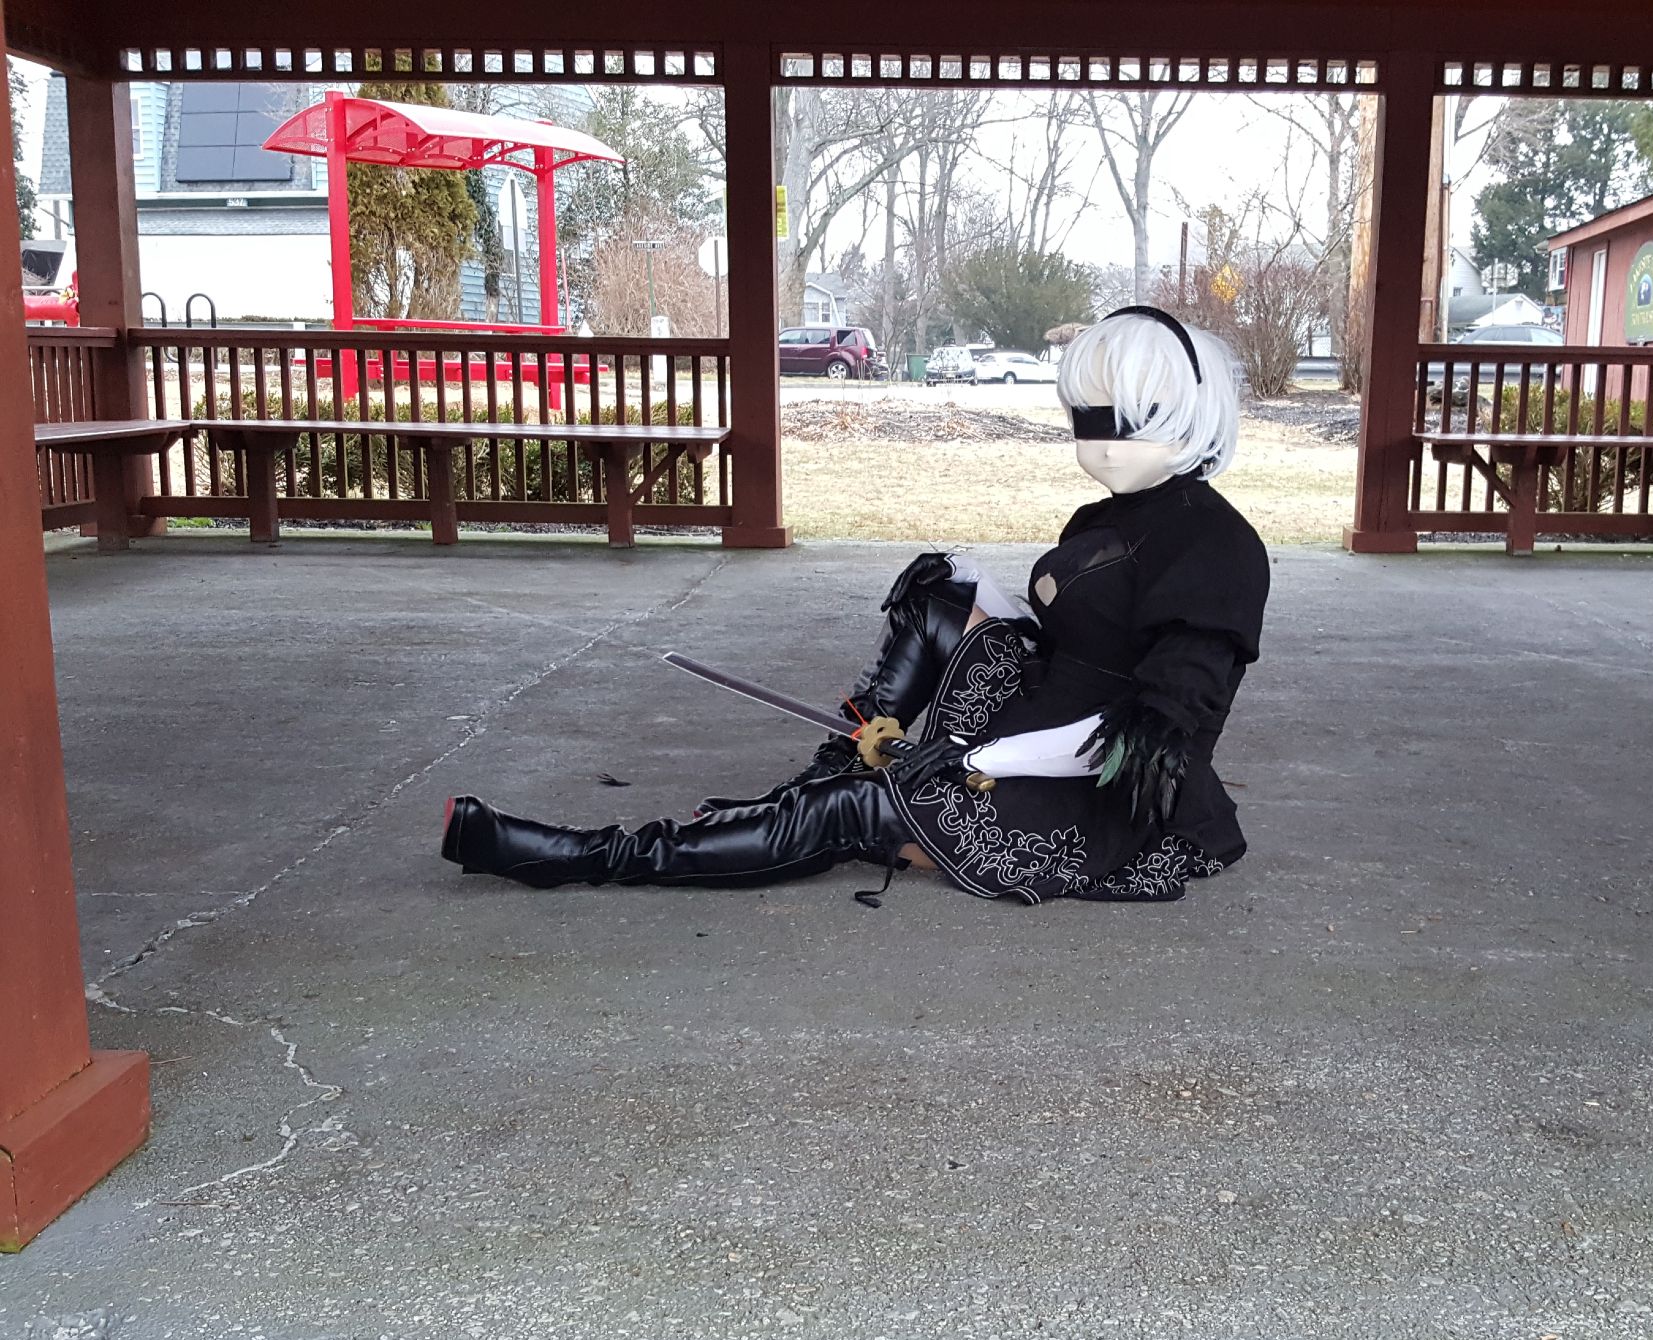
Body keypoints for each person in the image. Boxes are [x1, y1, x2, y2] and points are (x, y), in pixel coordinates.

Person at [440, 305, 1271, 903]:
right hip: (1034, 716)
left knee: (851, 814)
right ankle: (839, 766)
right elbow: (1077, 629)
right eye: (1085, 419)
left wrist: (981, 758)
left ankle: (586, 855)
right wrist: (971, 584)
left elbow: (1147, 741)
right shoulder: (1110, 515)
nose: (1099, 443)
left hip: (1096, 795)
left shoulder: (1216, 548)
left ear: (1185, 415)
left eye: (1125, 421)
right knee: (937, 598)